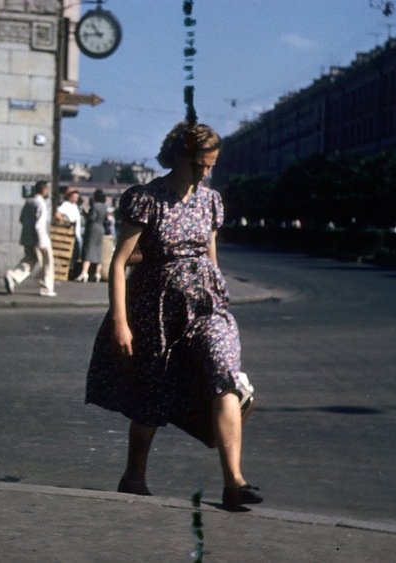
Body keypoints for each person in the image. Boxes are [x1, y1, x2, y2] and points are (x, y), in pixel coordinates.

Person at [84, 121, 261, 511]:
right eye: (200, 164)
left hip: (206, 306)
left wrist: (220, 300)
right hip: (156, 309)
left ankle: (234, 482)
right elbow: (118, 264)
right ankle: (133, 477)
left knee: (225, 373)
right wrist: (120, 321)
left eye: (211, 165)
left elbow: (210, 257)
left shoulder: (210, 201)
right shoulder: (146, 198)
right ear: (180, 156)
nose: (205, 173)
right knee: (152, 392)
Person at [3, 180, 56, 297]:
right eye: (47, 189)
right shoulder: (41, 203)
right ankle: (46, 288)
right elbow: (39, 225)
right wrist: (42, 242)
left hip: (27, 239)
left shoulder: (28, 202)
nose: (48, 191)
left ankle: (12, 276)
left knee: (30, 261)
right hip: (40, 239)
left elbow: (21, 219)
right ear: (43, 190)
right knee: (47, 263)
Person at [75, 189, 108, 282]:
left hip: (93, 228)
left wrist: (86, 214)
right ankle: (97, 274)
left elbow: (92, 218)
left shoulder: (95, 206)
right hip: (101, 228)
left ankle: (84, 273)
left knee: (88, 249)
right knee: (98, 251)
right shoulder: (104, 207)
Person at [55, 187, 83, 275]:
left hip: (76, 234)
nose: (76, 198)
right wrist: (67, 223)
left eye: (77, 197)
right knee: (70, 254)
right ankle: (68, 271)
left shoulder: (75, 206)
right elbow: (57, 215)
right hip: (69, 234)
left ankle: (71, 271)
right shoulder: (65, 205)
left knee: (75, 254)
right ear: (69, 196)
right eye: (74, 196)